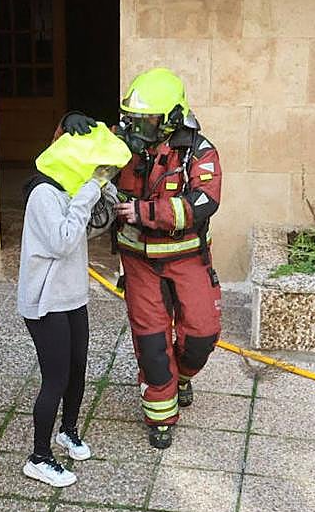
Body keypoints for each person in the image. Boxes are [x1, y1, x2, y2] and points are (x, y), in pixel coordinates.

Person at [60, 68, 223, 450]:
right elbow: (69, 155)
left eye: (146, 121)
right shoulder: (120, 141)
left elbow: (204, 203)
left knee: (202, 335)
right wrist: (69, 124)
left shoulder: (199, 151)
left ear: (170, 120)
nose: (136, 128)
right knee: (151, 343)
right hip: (138, 262)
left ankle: (181, 377)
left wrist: (144, 213)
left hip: (188, 259)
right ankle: (160, 415)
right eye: (132, 119)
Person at [18, 124, 131, 487]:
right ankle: (39, 457)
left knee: (78, 369)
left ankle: (67, 432)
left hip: (72, 296)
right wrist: (89, 189)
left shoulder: (71, 190)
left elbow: (92, 224)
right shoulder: (43, 195)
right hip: (45, 302)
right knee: (56, 379)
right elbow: (64, 242)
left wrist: (105, 185)